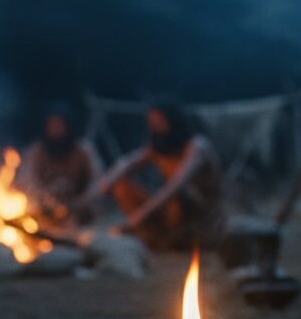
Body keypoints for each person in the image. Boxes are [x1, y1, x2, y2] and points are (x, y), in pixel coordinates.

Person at [82, 100, 224, 250]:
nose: (156, 127)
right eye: (152, 122)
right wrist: (101, 188)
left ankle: (177, 238)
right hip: (169, 212)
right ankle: (155, 236)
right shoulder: (157, 148)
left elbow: (175, 187)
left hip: (201, 215)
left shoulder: (197, 146)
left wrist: (137, 218)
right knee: (121, 185)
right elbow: (127, 164)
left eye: (160, 121)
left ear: (174, 121)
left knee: (178, 195)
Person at [16, 102, 102, 226]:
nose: (56, 130)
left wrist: (81, 201)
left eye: (60, 125)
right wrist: (47, 198)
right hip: (44, 208)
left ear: (68, 127)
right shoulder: (35, 152)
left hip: (78, 208)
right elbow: (27, 182)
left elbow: (98, 182)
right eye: (52, 125)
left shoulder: (84, 151)